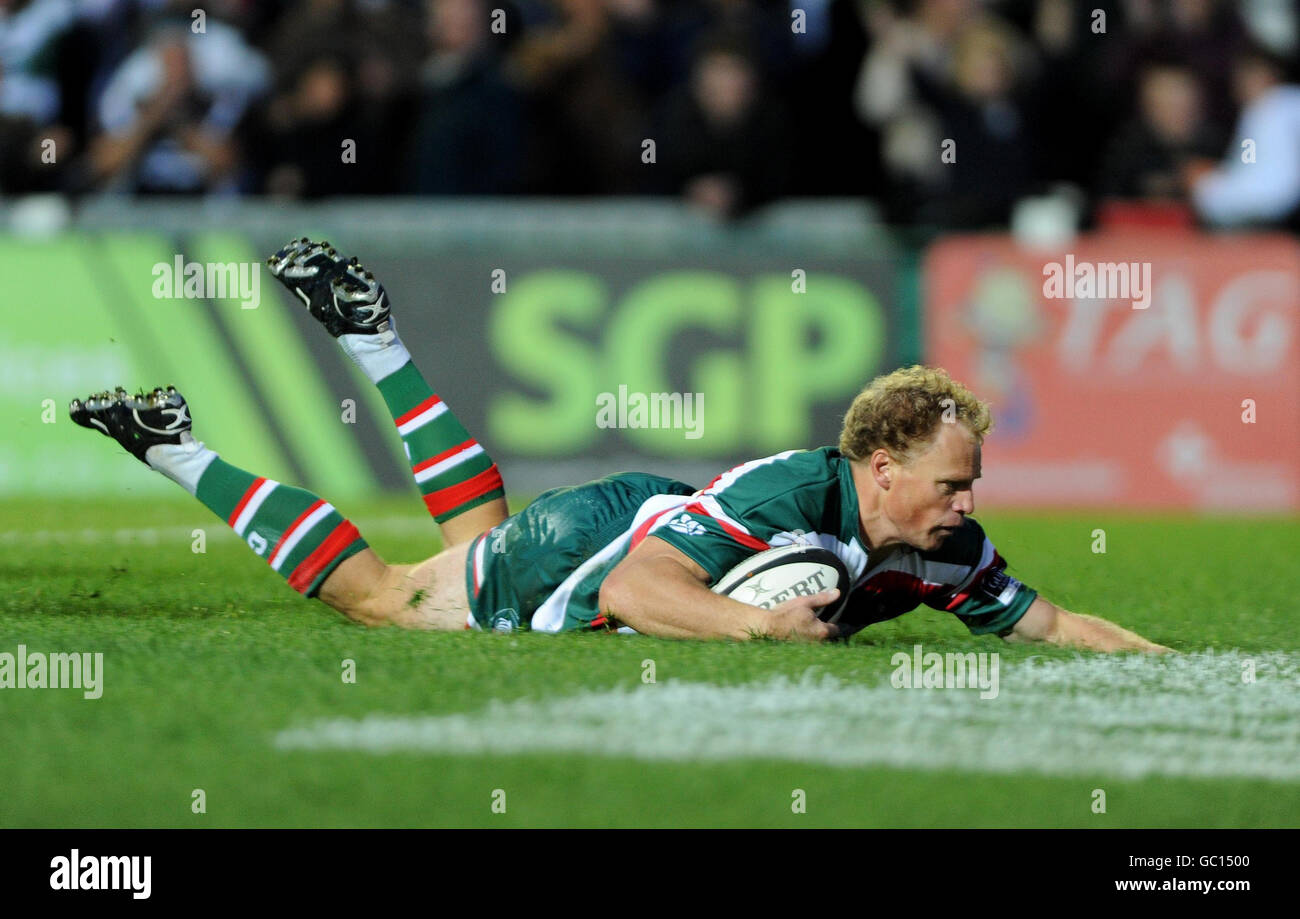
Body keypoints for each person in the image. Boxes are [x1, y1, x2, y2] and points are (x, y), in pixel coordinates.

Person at [70, 238, 1170, 652]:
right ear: (882, 469)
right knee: (392, 598)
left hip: (632, 519)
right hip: (602, 549)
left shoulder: (942, 547)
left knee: (466, 544)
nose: (969, 503)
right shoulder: (799, 488)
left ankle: (374, 338)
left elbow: (1054, 620)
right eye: (953, 482)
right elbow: (647, 588)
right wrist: (754, 628)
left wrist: (1174, 671)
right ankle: (174, 449)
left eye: (971, 484)